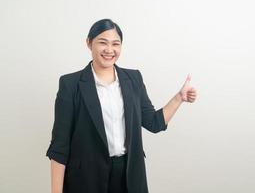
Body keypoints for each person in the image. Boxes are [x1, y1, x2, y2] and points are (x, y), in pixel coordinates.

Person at [46, 19, 197, 193]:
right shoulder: (70, 84)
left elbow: (154, 123)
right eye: (103, 43)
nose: (110, 50)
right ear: (89, 43)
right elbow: (60, 146)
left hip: (129, 175)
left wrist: (179, 98)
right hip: (86, 178)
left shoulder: (133, 79)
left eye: (115, 44)